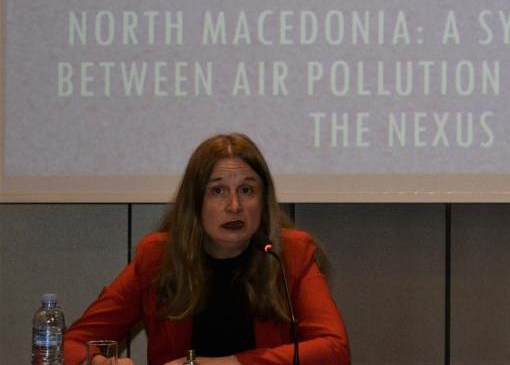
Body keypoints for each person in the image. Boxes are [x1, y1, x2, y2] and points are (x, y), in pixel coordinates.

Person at [63, 133, 350, 365]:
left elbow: (335, 350)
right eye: (218, 191)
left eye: (247, 190)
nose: (234, 206)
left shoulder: (289, 254)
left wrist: (232, 364)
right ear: (195, 202)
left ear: (263, 202)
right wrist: (97, 361)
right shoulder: (158, 258)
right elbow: (72, 343)